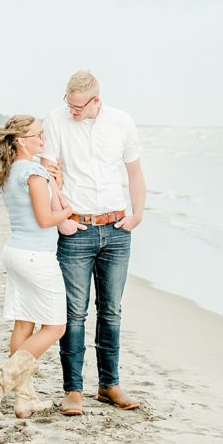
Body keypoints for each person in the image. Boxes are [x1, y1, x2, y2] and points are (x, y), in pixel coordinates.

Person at [41, 69, 147, 417]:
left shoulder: (121, 122)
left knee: (112, 311)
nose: (72, 110)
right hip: (77, 230)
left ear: (96, 101)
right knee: (74, 313)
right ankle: (73, 390)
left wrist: (137, 215)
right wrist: (63, 218)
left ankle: (109, 385)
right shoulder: (56, 121)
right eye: (68, 104)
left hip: (116, 228)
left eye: (78, 106)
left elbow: (134, 172)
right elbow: (48, 172)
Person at [0, 115, 73, 420]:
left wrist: (53, 184)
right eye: (38, 135)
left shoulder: (11, 171)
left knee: (24, 324)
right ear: (21, 140)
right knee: (56, 326)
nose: (43, 139)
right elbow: (47, 219)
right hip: (36, 257)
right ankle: (1, 379)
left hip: (16, 253)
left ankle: (25, 400)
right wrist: (69, 208)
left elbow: (40, 212)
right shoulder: (33, 172)